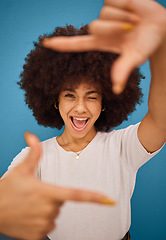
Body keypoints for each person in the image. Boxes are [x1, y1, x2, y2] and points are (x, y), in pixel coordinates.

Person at [2, 0, 166, 239]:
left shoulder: (122, 146)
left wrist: (161, 49)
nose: (80, 108)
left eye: (92, 97)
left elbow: (161, 120)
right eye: (70, 95)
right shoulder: (34, 156)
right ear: (54, 100)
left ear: (104, 102)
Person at [0, 132, 114, 240]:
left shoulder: (121, 142)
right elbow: (9, 183)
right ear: (57, 109)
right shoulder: (34, 153)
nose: (80, 110)